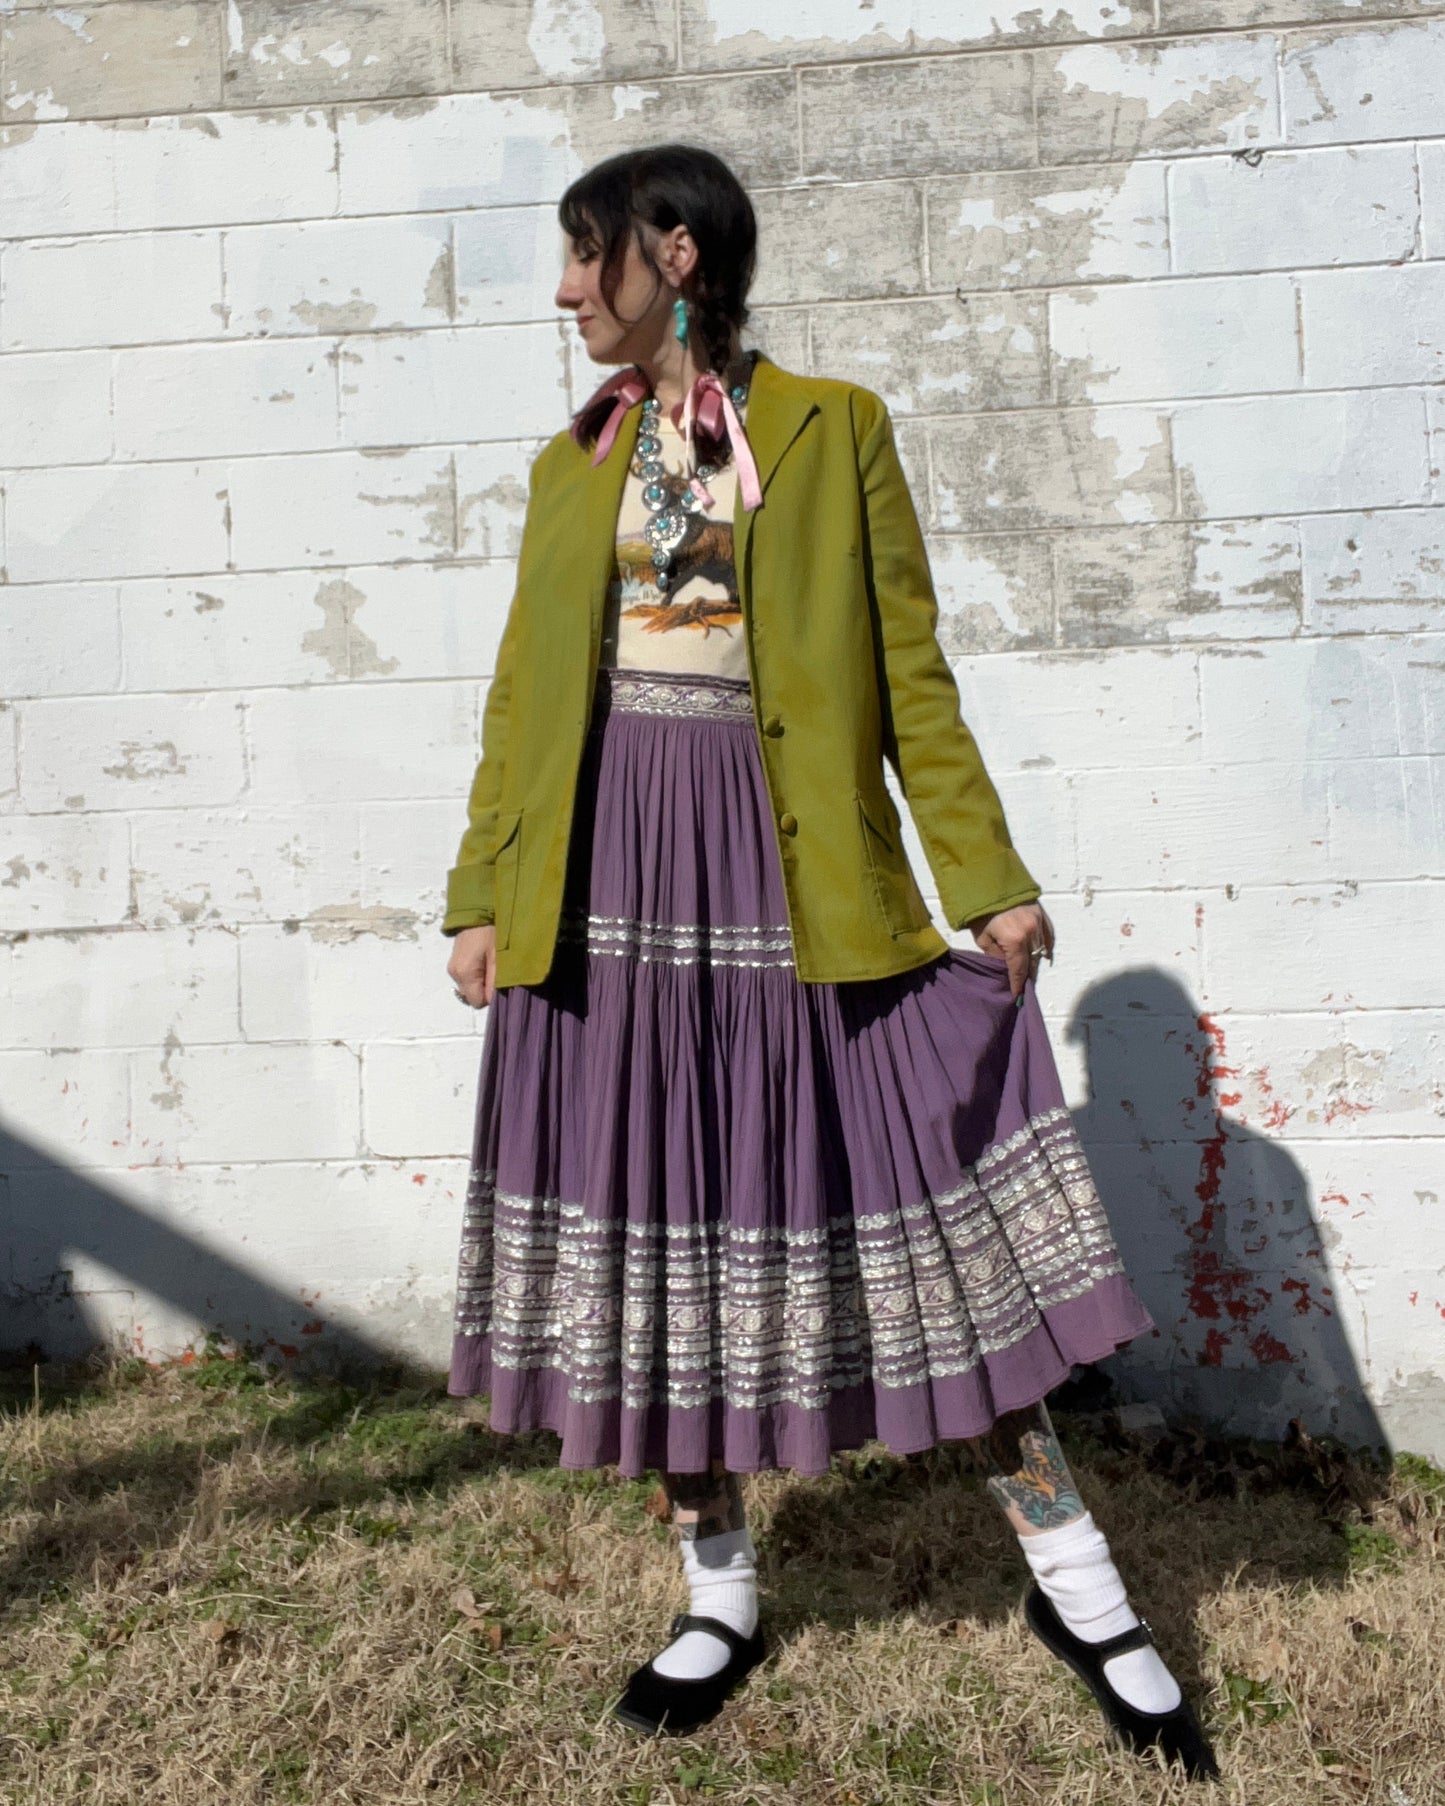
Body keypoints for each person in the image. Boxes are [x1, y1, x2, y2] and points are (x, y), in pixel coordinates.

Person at [441, 143, 1219, 1780]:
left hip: (795, 885)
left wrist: (984, 879)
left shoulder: (832, 426)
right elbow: (522, 702)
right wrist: (477, 892)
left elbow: (910, 677)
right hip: (604, 891)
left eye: (589, 257)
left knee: (930, 1241)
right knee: (657, 1242)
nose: (568, 289)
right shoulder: (564, 467)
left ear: (674, 253)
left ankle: (1078, 1587)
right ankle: (715, 1588)